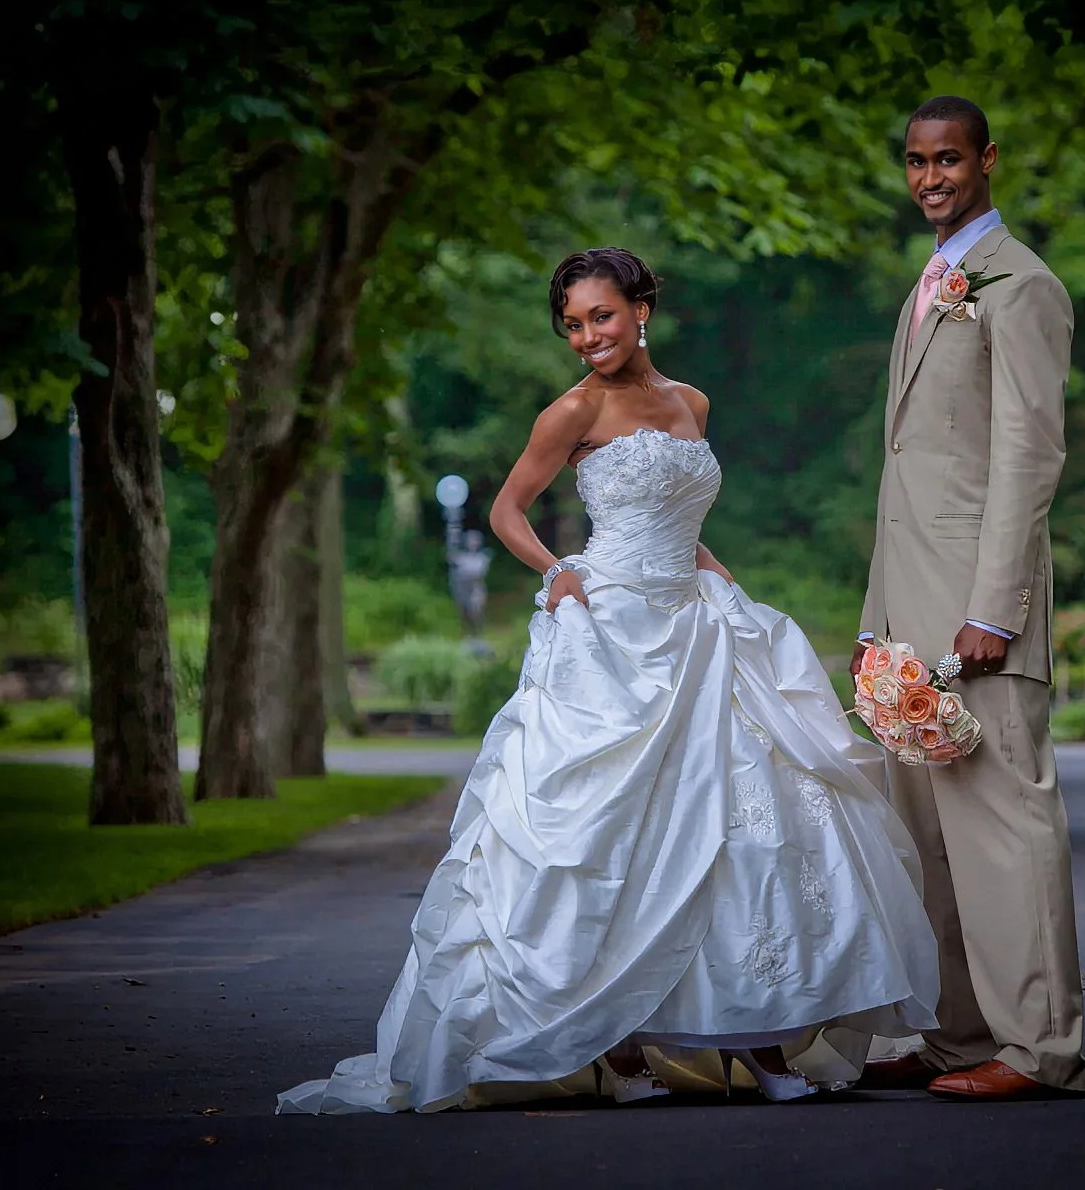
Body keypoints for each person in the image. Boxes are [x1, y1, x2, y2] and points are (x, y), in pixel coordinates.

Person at [279, 247, 939, 1115]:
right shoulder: (573, 411)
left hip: (698, 623)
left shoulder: (691, 402)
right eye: (573, 324)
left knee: (748, 832)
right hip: (614, 629)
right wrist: (556, 571)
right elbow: (506, 510)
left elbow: (682, 524)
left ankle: (764, 1038)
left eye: (601, 316)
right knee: (616, 834)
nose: (587, 336)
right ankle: (617, 1049)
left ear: (641, 311)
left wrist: (733, 595)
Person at [854, 96, 1085, 1101]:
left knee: (1005, 826)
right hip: (909, 607)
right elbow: (914, 465)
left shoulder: (1021, 284)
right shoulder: (936, 281)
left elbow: (1029, 453)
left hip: (979, 612)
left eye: (948, 159)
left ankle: (1040, 1047)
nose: (930, 178)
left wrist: (995, 605)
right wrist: (877, 622)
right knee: (932, 837)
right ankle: (958, 1036)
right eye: (915, 161)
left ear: (987, 159)